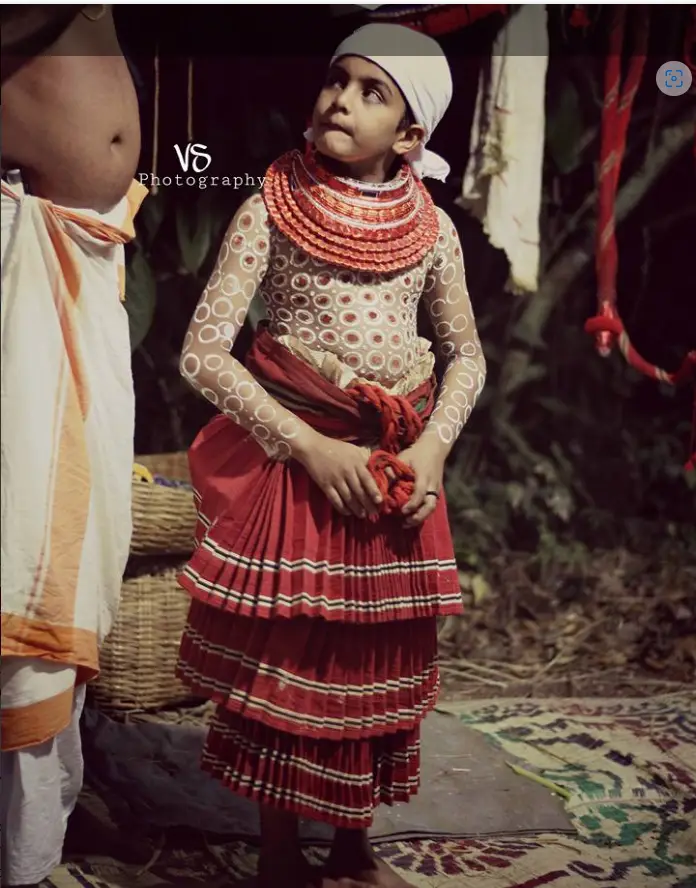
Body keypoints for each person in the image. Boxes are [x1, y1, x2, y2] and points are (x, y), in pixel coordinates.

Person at [176, 23, 486, 888]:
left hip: (393, 481)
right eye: (335, 80)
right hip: (302, 477)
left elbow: (468, 356)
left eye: (370, 91)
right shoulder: (268, 204)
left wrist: (431, 450)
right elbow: (203, 352)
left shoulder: (433, 232)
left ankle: (352, 845)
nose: (340, 99)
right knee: (292, 666)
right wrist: (308, 448)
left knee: (375, 663)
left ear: (413, 136)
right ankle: (280, 856)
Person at [1, 6, 145, 886]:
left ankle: (32, 833)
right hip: (22, 247)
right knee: (19, 546)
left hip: (67, 246)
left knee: (70, 541)